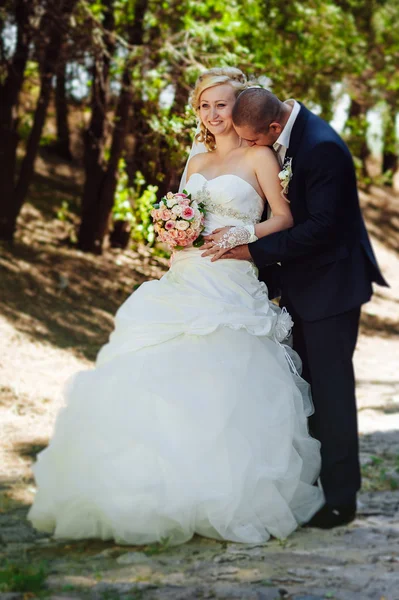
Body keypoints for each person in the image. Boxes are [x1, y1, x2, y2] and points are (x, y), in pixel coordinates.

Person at [28, 68, 324, 546]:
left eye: (222, 104)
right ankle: (148, 490)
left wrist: (244, 234)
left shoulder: (260, 156)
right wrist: (173, 230)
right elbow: (184, 210)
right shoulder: (195, 160)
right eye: (204, 105)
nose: (213, 114)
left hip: (230, 280)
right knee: (155, 375)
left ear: (240, 106)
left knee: (224, 378)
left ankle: (226, 494)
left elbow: (284, 217)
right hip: (184, 276)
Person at [203, 87, 388, 529]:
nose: (247, 147)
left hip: (333, 288)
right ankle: (310, 487)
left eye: (251, 141)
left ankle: (341, 500)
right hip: (303, 284)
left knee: (332, 393)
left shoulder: (322, 148)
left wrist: (252, 252)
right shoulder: (287, 134)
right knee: (305, 391)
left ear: (272, 127)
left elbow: (322, 229)